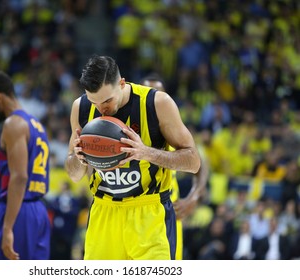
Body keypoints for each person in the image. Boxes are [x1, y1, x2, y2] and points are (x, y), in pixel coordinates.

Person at [65, 55, 201, 260]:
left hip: (149, 214)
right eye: (95, 101)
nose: (102, 109)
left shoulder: (157, 103)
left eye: (107, 100)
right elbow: (74, 175)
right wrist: (78, 159)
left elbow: (193, 162)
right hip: (104, 211)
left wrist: (145, 152)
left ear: (121, 83)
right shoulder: (81, 107)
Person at [0, 71, 51, 260]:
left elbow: (19, 178)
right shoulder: (37, 124)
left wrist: (8, 227)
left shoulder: (13, 124)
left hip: (20, 213)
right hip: (37, 212)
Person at [141, 73, 209, 260]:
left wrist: (194, 197)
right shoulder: (129, 126)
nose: (152, 98)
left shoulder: (172, 127)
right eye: (147, 92)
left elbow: (201, 163)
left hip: (167, 212)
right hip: (135, 213)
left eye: (157, 93)